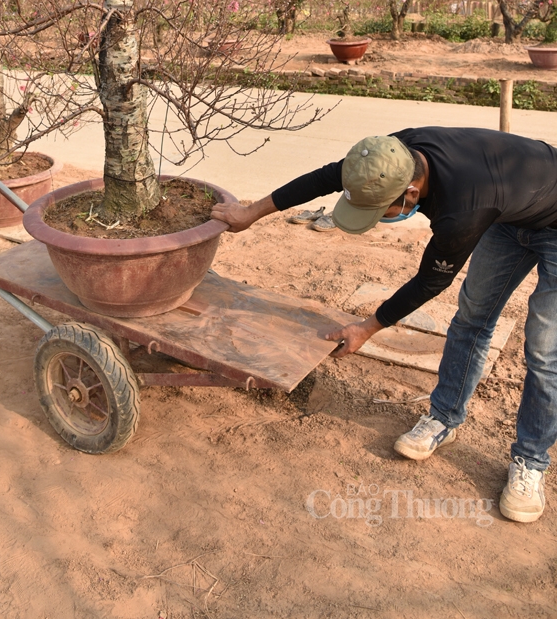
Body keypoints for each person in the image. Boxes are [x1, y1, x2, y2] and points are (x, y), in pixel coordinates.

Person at [211, 128, 557, 524]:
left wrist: (366, 327)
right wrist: (250, 213)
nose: (374, 220)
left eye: (380, 211)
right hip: (511, 210)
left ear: (411, 192)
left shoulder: (461, 211)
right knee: (473, 318)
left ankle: (531, 460)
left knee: (545, 350)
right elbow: (325, 176)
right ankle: (445, 418)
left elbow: (430, 281)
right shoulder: (387, 157)